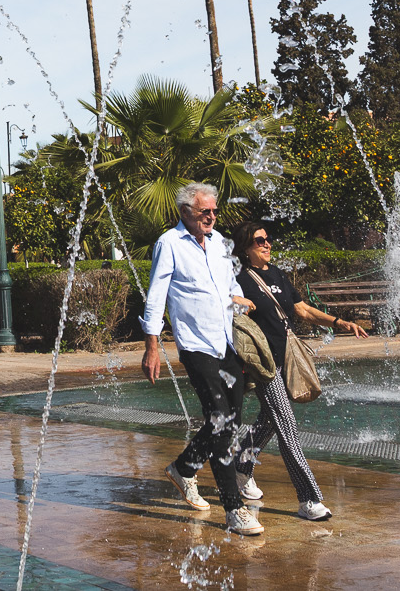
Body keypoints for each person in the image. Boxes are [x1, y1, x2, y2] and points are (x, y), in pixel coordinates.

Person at [141, 183, 261, 536]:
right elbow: (155, 295)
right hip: (195, 346)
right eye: (204, 211)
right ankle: (234, 509)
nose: (211, 216)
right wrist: (152, 346)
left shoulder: (221, 241)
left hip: (226, 341)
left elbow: (231, 284)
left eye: (214, 211)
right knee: (221, 419)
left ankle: (184, 467)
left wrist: (241, 300)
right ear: (185, 213)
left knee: (232, 418)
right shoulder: (170, 244)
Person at [233, 221, 365, 522]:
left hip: (286, 360)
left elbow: (301, 310)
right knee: (288, 428)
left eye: (267, 239)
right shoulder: (238, 279)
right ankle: (309, 498)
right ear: (245, 248)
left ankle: (241, 466)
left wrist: (338, 322)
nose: (267, 245)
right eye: (259, 241)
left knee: (269, 421)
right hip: (263, 365)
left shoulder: (277, 274)